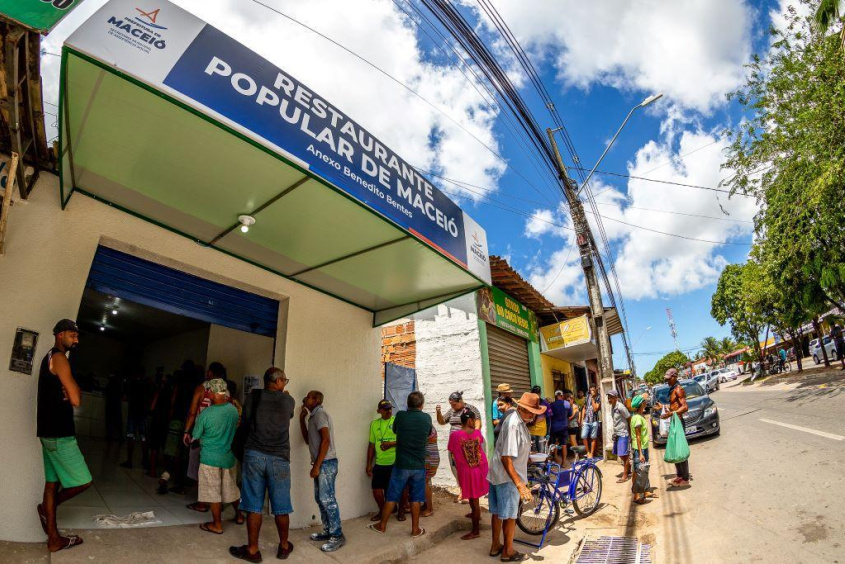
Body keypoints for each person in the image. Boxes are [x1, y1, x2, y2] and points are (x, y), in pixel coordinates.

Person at [36, 320, 93, 553]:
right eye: (72, 335)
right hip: (60, 434)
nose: (76, 340)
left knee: (51, 484)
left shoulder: (52, 358)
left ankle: (54, 540)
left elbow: (73, 393)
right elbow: (77, 399)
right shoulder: (59, 358)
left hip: (47, 433)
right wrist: (72, 390)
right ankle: (46, 509)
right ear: (60, 335)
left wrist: (70, 389)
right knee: (83, 481)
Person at [230, 367, 296, 562]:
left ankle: (252, 550)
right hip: (279, 459)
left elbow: (247, 421)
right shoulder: (288, 400)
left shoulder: (253, 398)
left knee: (253, 505)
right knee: (281, 506)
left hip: (254, 455)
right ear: (276, 382)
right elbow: (289, 415)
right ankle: (284, 546)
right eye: (284, 381)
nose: (285, 384)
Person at [487, 393, 545, 562]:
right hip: (508, 477)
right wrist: (520, 484)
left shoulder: (518, 421)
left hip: (499, 473)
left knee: (498, 513)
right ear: (520, 408)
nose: (532, 416)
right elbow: (507, 457)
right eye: (529, 412)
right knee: (511, 516)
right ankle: (508, 551)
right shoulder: (514, 424)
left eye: (534, 412)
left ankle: (495, 546)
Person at [369, 391, 431, 538]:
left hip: (402, 464)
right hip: (418, 465)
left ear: (407, 404)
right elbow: (428, 434)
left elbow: (396, 430)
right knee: (416, 498)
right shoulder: (426, 418)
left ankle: (382, 525)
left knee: (391, 496)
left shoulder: (401, 416)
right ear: (422, 405)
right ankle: (415, 529)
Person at [192, 378, 241, 534]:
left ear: (211, 393)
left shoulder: (206, 414)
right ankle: (239, 515)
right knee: (232, 489)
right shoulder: (233, 410)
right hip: (228, 457)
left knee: (213, 493)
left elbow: (196, 435)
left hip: (209, 459)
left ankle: (217, 525)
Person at [299, 391, 344, 552]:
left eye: (309, 396)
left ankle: (337, 535)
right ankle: (328, 531)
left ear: (316, 400)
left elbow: (326, 440)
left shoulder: (320, 415)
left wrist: (317, 466)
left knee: (327, 499)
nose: (305, 398)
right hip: (322, 463)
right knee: (320, 498)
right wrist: (301, 418)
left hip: (326, 463)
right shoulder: (313, 417)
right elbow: (307, 440)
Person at [183, 362, 228, 513]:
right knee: (219, 469)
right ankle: (217, 503)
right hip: (221, 435)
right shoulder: (225, 390)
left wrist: (187, 432)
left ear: (210, 373)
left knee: (200, 468)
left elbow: (192, 411)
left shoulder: (202, 388)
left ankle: (201, 503)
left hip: (202, 435)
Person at [447, 411, 489, 540]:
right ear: (471, 421)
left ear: (462, 421)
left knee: (474, 499)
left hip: (468, 471)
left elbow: (451, 450)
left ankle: (475, 530)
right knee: (472, 497)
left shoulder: (455, 435)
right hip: (479, 469)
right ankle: (475, 513)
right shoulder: (477, 433)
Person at [655, 368, 691, 487]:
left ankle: (685, 478)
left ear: (674, 377)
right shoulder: (672, 389)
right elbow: (674, 406)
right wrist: (664, 407)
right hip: (674, 422)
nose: (667, 381)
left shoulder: (678, 389)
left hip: (679, 422)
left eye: (668, 379)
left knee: (680, 449)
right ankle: (679, 476)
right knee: (675, 450)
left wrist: (670, 414)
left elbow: (685, 407)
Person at [366, 400, 397, 522]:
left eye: (390, 408)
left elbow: (404, 440)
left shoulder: (396, 422)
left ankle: (397, 511)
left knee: (393, 489)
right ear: (379, 411)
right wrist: (368, 464)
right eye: (386, 409)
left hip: (395, 461)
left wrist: (391, 444)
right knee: (376, 489)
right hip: (380, 462)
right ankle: (383, 510)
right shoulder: (374, 424)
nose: (389, 411)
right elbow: (371, 445)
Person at [121, 368, 153, 469]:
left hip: (133, 413)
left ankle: (129, 461)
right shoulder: (147, 384)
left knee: (131, 437)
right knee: (144, 438)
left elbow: (125, 397)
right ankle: (144, 461)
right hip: (143, 414)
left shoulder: (131, 383)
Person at [630, 395, 655, 505]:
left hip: (643, 447)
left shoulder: (640, 416)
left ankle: (645, 492)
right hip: (638, 449)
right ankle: (636, 495)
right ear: (640, 405)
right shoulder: (637, 418)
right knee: (637, 471)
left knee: (643, 470)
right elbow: (638, 436)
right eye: (644, 402)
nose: (645, 403)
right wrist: (640, 453)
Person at [607, 390, 631, 483]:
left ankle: (625, 475)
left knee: (623, 454)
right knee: (619, 454)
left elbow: (629, 418)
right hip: (617, 433)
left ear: (616, 398)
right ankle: (628, 469)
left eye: (611, 397)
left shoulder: (620, 407)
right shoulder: (612, 407)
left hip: (623, 433)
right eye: (608, 398)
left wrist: (630, 434)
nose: (609, 399)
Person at [548, 390, 571, 465]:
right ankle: (563, 462)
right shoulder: (566, 403)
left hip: (554, 427)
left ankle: (555, 458)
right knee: (564, 444)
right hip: (564, 426)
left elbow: (550, 415)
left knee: (554, 443)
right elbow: (570, 414)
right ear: (562, 396)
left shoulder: (551, 405)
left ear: (555, 396)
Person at [579, 385, 601, 458]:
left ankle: (591, 453)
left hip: (594, 420)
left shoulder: (598, 397)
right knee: (583, 436)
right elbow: (584, 408)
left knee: (593, 437)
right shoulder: (587, 396)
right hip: (586, 420)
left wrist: (592, 400)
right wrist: (582, 419)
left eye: (593, 390)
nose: (592, 392)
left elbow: (595, 409)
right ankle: (588, 451)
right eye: (591, 390)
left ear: (596, 390)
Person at [422, 425, 439, 517]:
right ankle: (426, 505)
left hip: (428, 459)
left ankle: (429, 508)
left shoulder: (424, 428)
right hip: (432, 457)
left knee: (424, 483)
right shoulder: (431, 427)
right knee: (426, 482)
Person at [527, 385, 551, 452]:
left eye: (538, 393)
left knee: (541, 451)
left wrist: (548, 433)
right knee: (531, 452)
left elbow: (549, 419)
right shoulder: (528, 403)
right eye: (534, 393)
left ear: (540, 394)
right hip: (530, 431)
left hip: (541, 431)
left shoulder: (545, 404)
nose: (536, 395)